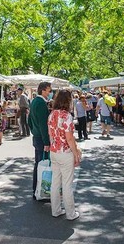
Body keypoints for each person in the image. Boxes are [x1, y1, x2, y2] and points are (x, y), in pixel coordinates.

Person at [48, 90, 81, 220]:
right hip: (65, 152)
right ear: (68, 101)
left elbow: (50, 135)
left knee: (55, 182)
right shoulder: (67, 116)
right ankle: (71, 214)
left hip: (54, 151)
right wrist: (76, 154)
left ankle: (55, 210)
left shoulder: (51, 115)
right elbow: (70, 138)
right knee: (67, 184)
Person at [28, 81, 51, 199]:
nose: (50, 92)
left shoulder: (34, 101)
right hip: (41, 138)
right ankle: (40, 191)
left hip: (36, 136)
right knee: (42, 164)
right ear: (43, 90)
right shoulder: (41, 103)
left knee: (38, 164)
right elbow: (43, 124)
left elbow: (29, 120)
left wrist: (33, 131)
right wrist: (46, 141)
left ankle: (37, 190)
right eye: (49, 90)